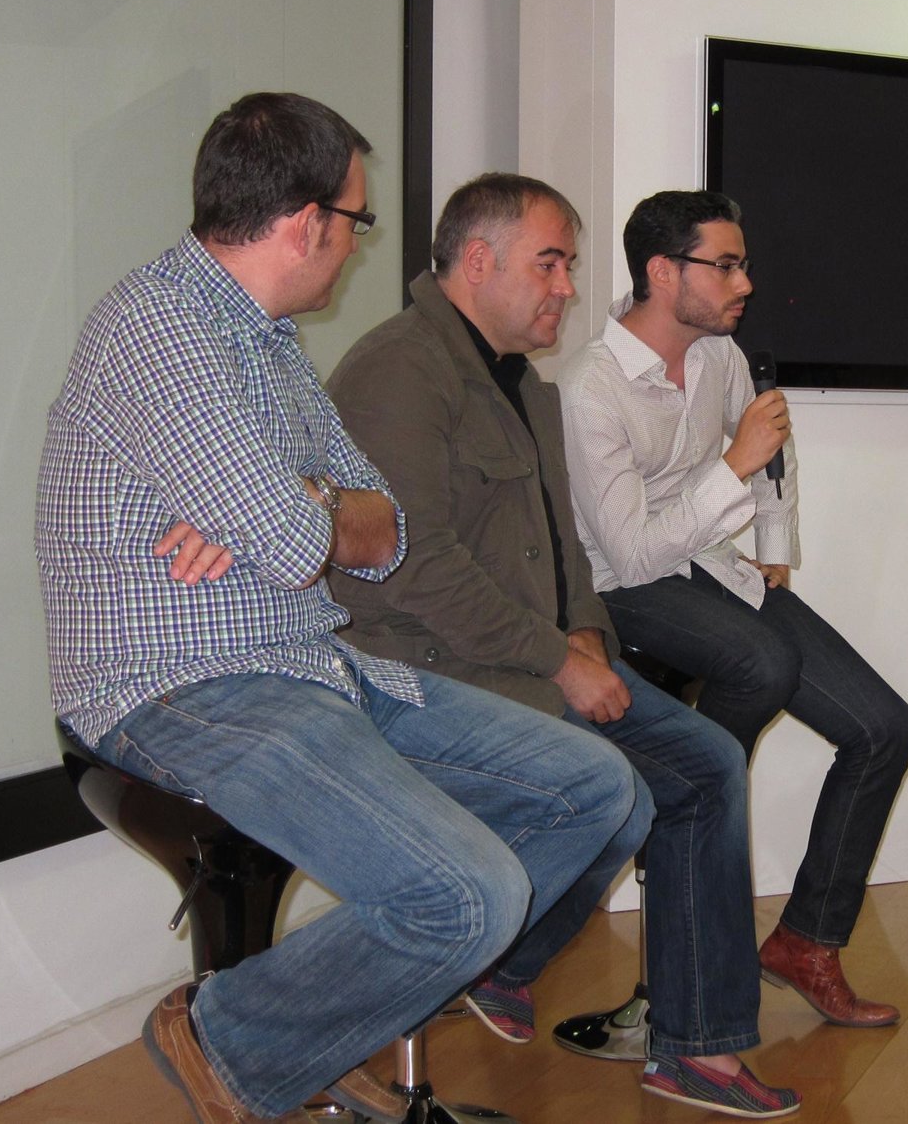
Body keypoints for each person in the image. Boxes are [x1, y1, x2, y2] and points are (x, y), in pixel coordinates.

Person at [35, 95, 648, 1124]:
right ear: (305, 221)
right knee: (471, 892)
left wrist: (300, 500)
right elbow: (297, 542)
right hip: (181, 688)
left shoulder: (270, 341)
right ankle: (230, 1036)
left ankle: (308, 1026)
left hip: (315, 662)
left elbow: (382, 524)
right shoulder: (157, 328)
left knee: (598, 789)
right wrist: (300, 514)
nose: (358, 243)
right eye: (357, 220)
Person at [326, 173, 801, 1119]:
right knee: (614, 788)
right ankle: (486, 957)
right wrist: (559, 662)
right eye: (550, 264)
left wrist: (585, 633)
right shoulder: (398, 372)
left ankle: (694, 1046)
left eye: (569, 266)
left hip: (529, 655)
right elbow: (414, 568)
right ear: (477, 262)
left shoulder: (527, 387)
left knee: (707, 762)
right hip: (428, 669)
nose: (568, 288)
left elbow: (569, 548)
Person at [557, 188, 908, 1030]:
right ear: (661, 272)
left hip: (712, 567)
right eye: (725, 265)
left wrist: (774, 540)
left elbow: (770, 445)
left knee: (884, 728)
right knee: (763, 662)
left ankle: (806, 941)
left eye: (743, 264)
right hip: (623, 588)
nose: (745, 283)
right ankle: (686, 794)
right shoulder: (591, 386)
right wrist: (733, 468)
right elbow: (633, 553)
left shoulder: (717, 353)